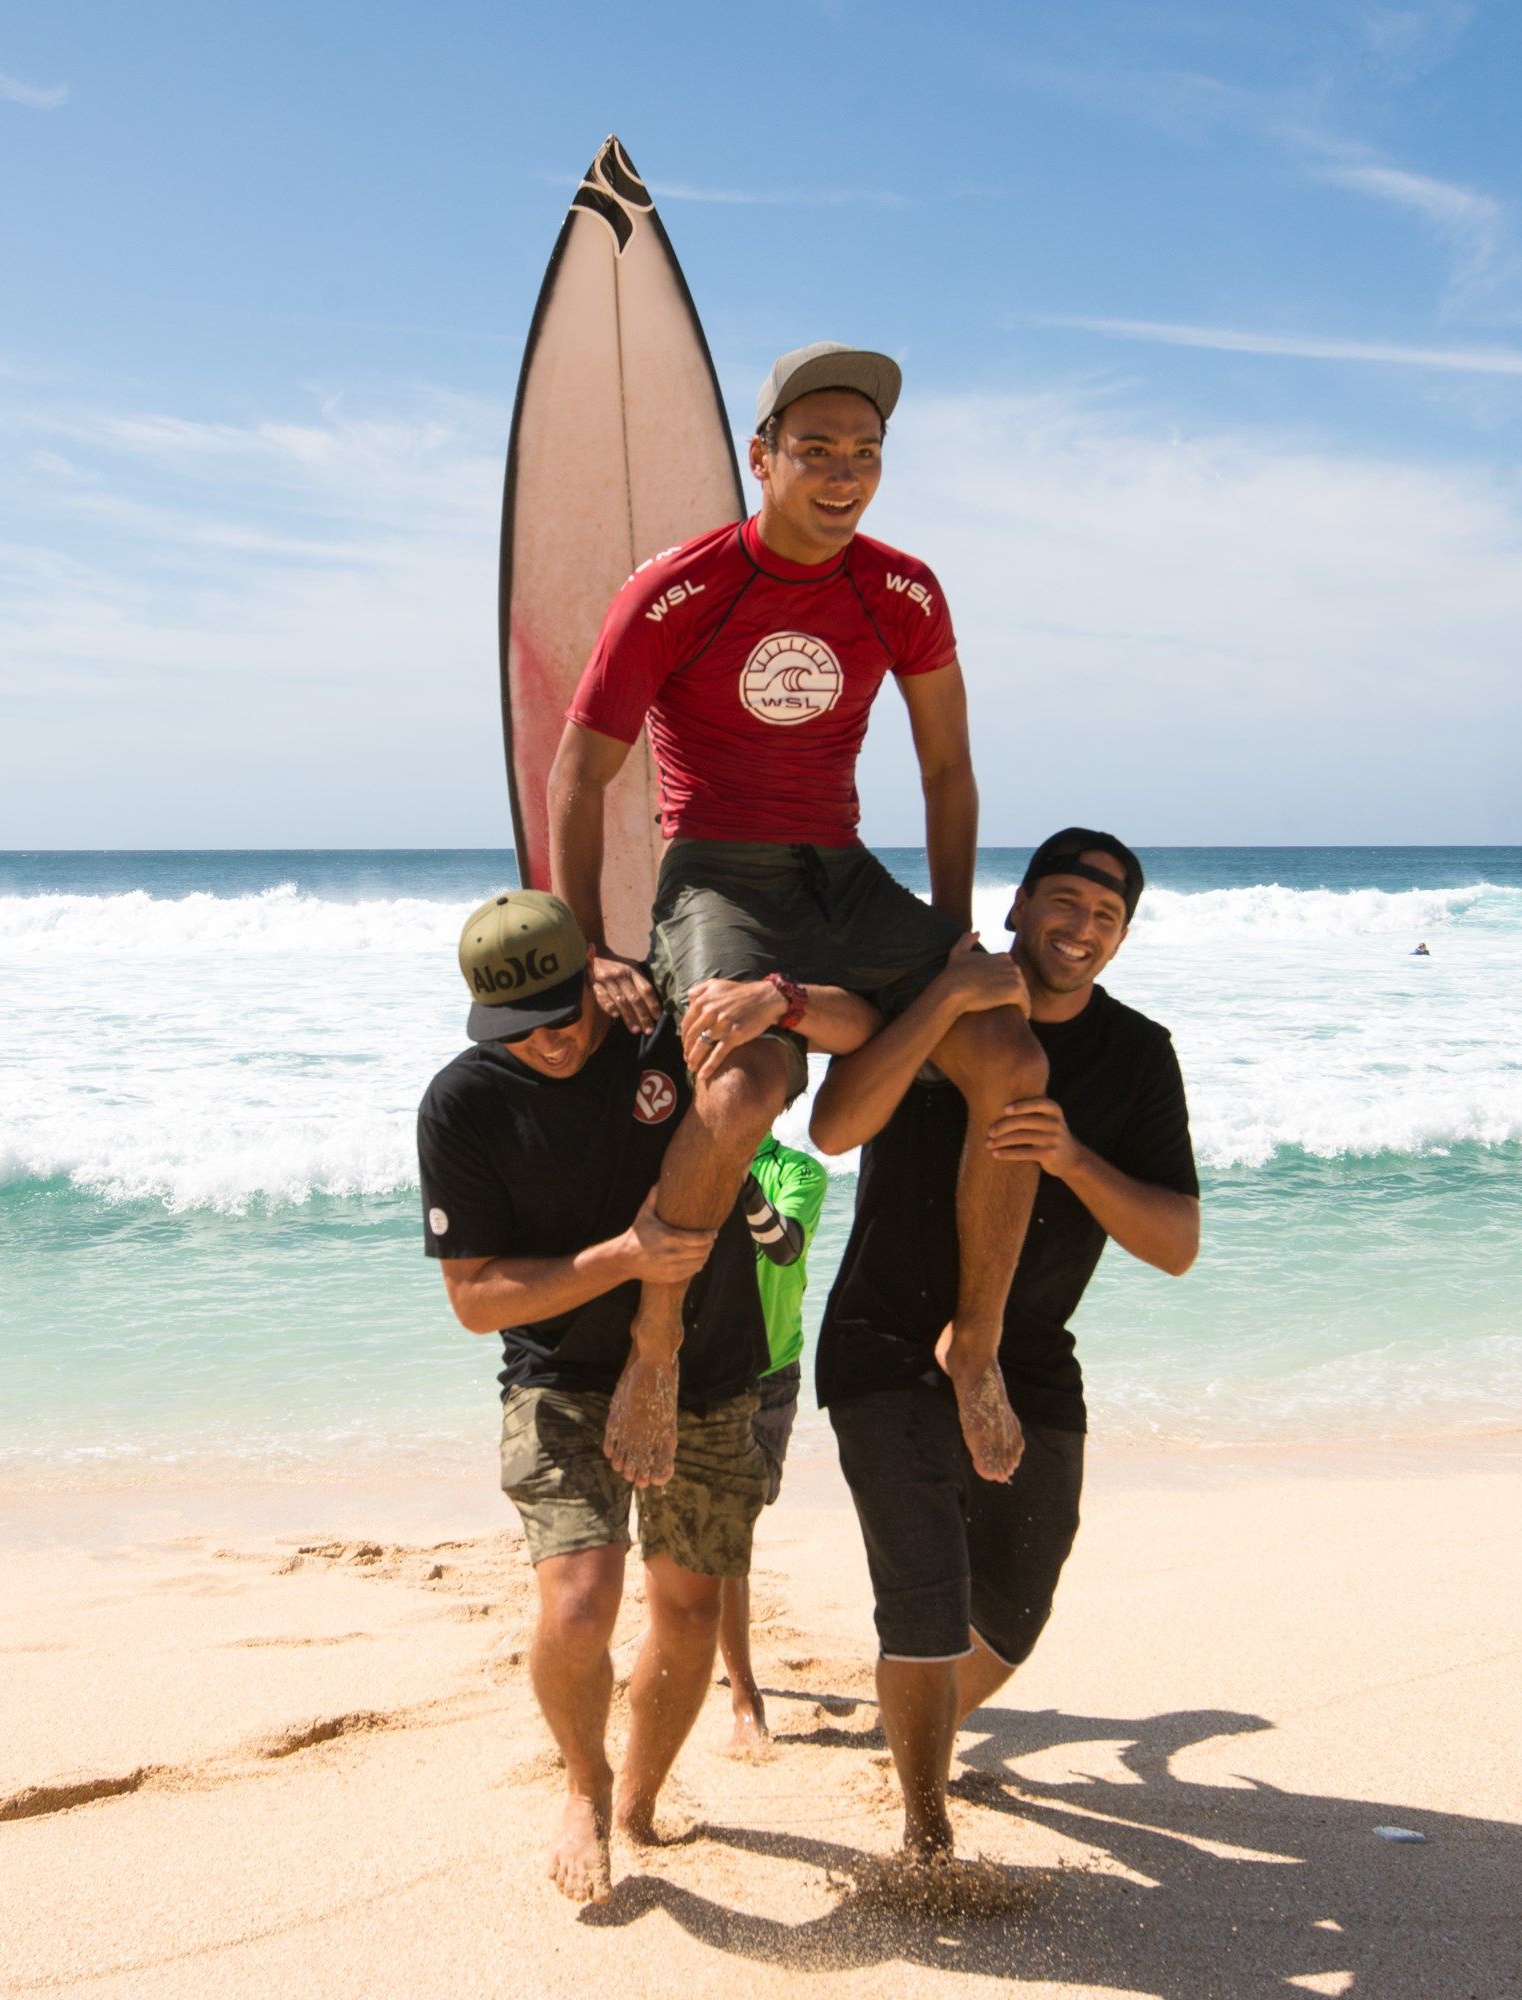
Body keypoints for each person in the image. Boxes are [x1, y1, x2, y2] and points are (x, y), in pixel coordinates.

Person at [547, 341, 1043, 1505]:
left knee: (1013, 1055)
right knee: (740, 1087)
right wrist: (592, 945)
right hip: (716, 873)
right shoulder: (679, 587)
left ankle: (974, 1340)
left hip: (843, 872)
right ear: (759, 456)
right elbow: (578, 772)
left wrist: (956, 943)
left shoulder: (902, 588)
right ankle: (657, 1341)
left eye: (864, 453)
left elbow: (950, 768)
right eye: (814, 449)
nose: (842, 472)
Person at [416, 889, 874, 1903]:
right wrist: (622, 1257)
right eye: (514, 1027)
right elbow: (476, 1296)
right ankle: (585, 1779)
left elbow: (851, 1036)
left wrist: (777, 1001)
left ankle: (639, 1800)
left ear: (595, 976)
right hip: (559, 1373)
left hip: (713, 1362)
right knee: (580, 1599)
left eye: (558, 1014)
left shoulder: (662, 1032)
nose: (542, 1042)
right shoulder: (464, 1101)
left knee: (691, 1601)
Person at [807, 830, 1202, 1859]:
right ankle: (925, 1828)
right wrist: (936, 999)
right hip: (886, 1338)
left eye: (1106, 918)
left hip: (1027, 1353)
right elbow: (835, 1126)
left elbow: (1176, 1243)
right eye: (1064, 901)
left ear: (1122, 939)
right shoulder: (935, 1000)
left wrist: (1073, 1155)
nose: (1081, 929)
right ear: (1018, 904)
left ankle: (913, 1720)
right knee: (925, 1599)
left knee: (1016, 1609)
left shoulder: (1136, 1055)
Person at [718, 1131, 827, 1755]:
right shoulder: (677, 1153)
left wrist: (731, 1171)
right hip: (698, 1364)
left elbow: (782, 1249)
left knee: (742, 1515)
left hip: (770, 1370)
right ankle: (744, 1693)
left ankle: (715, 1639)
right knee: (729, 1530)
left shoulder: (800, 1172)